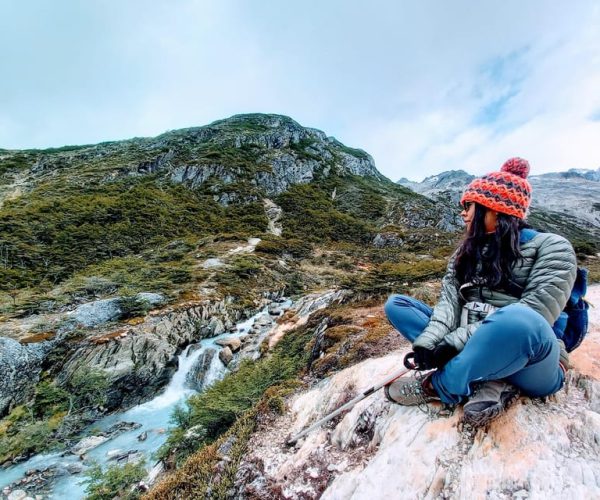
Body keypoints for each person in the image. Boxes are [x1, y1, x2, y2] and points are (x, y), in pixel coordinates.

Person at [383, 158, 577, 426]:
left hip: (530, 359)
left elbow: (538, 313)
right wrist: (429, 342)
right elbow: (449, 304)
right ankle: (487, 380)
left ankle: (439, 385)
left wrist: (452, 344)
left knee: (519, 319)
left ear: (494, 209)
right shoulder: (464, 253)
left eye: (468, 206)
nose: (463, 213)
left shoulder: (554, 247)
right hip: (471, 343)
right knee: (397, 305)